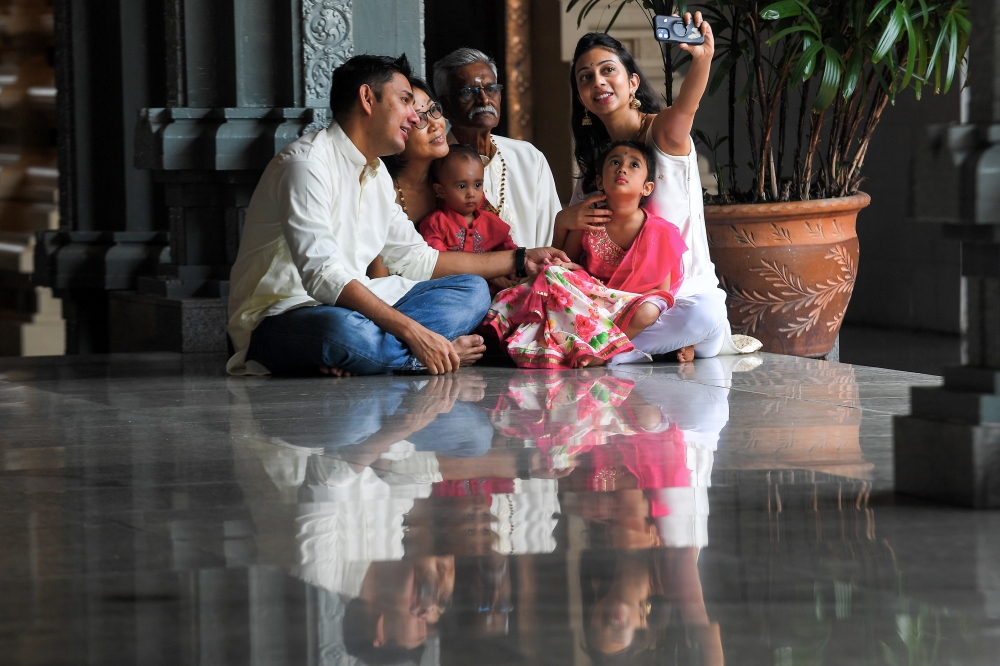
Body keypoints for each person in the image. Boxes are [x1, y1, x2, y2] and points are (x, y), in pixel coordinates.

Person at [225, 54, 573, 377]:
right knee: (339, 332)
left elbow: (419, 260)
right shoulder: (306, 165)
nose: (414, 116)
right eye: (406, 101)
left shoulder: (374, 172)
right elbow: (322, 277)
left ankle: (374, 356)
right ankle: (416, 355)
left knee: (471, 290)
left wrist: (521, 257)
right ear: (367, 98)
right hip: (284, 316)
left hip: (356, 308)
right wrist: (415, 334)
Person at [563, 18, 761, 362]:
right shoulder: (595, 169)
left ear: (633, 82)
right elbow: (570, 251)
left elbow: (687, 107)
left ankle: (610, 352)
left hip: (684, 299)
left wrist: (702, 59)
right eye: (586, 77)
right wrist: (565, 218)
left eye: (608, 70)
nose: (598, 81)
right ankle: (644, 348)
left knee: (705, 315)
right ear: (581, 98)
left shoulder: (663, 133)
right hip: (620, 304)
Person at [482, 141, 685, 369]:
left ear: (646, 188)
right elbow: (560, 266)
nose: (622, 169)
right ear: (599, 181)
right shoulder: (586, 222)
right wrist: (575, 269)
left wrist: (614, 298)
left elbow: (662, 292)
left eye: (633, 164)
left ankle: (601, 352)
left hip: (627, 305)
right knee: (546, 279)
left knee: (650, 309)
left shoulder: (661, 231)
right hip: (586, 300)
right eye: (615, 162)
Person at [433, 48, 562, 248]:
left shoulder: (529, 158)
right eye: (468, 92)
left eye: (491, 89)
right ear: (445, 106)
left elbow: (551, 238)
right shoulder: (434, 165)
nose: (484, 100)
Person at [418, 144, 520, 292]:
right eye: (461, 186)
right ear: (440, 190)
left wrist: (514, 276)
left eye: (477, 184)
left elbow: (511, 253)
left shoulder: (492, 223)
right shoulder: (435, 223)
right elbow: (438, 266)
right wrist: (489, 273)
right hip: (452, 292)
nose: (471, 193)